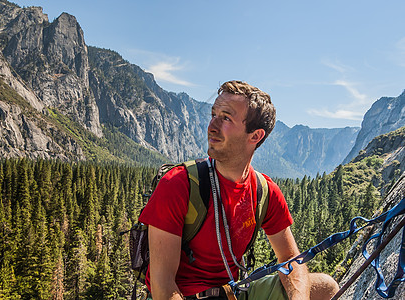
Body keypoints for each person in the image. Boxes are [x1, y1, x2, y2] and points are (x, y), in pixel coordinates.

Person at [139, 80, 339, 300]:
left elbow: (291, 259)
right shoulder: (178, 184)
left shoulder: (264, 192)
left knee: (325, 287)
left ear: (255, 136)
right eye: (213, 114)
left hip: (232, 293)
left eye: (226, 118)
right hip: (184, 295)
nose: (212, 126)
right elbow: (163, 286)